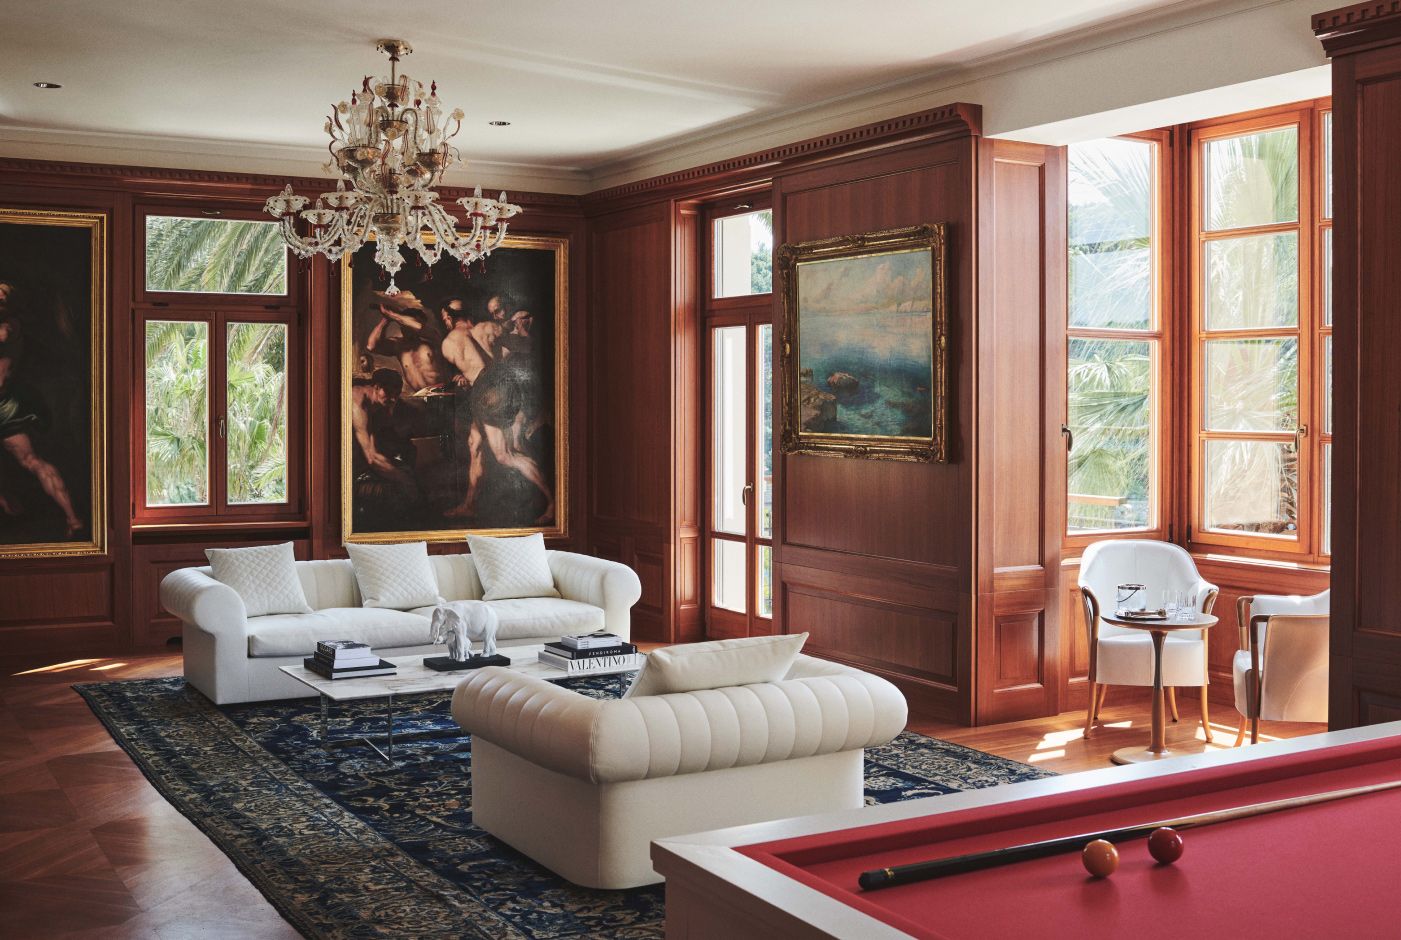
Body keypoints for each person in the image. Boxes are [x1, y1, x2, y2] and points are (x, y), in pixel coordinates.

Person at [0, 280, 83, 537]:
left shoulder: (9, 327)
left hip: (3, 405)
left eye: (1, 295)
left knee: (31, 461)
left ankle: (73, 519)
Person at [364, 290, 452, 393]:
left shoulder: (432, 338)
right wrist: (386, 319)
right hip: (420, 396)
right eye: (407, 325)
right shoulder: (399, 345)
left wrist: (391, 314)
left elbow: (419, 327)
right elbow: (371, 346)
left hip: (442, 392)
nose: (410, 328)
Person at [349, 368, 412, 485]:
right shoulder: (358, 402)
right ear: (377, 387)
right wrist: (403, 478)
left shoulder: (380, 403)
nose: (393, 399)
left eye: (397, 394)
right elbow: (371, 458)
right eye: (388, 392)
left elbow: (376, 449)